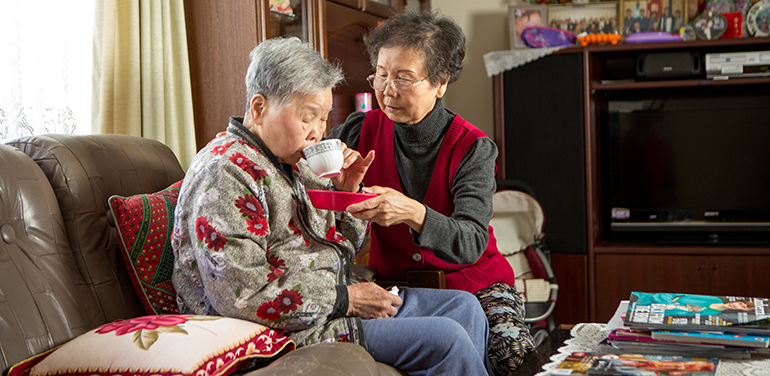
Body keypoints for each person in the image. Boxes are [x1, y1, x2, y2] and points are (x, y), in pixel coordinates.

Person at [171, 37, 493, 376]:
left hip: (331, 302)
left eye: (323, 119)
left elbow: (343, 245)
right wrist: (347, 299)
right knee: (446, 338)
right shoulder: (226, 172)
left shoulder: (293, 161)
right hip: (290, 326)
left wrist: (346, 195)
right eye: (308, 117)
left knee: (464, 307)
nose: (317, 133)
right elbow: (242, 296)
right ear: (259, 108)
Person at [329, 10, 535, 376]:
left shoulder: (472, 147)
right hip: (400, 286)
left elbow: (471, 240)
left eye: (404, 78)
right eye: (380, 73)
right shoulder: (358, 130)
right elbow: (305, 174)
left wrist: (414, 213)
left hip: (476, 282)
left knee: (515, 358)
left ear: (440, 83)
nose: (387, 89)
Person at [631, 292, 756, 316]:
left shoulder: (715, 313)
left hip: (660, 312)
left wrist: (675, 306)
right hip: (647, 300)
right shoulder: (716, 300)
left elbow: (685, 309)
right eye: (740, 303)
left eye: (742, 307)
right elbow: (681, 297)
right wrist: (672, 303)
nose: (737, 305)